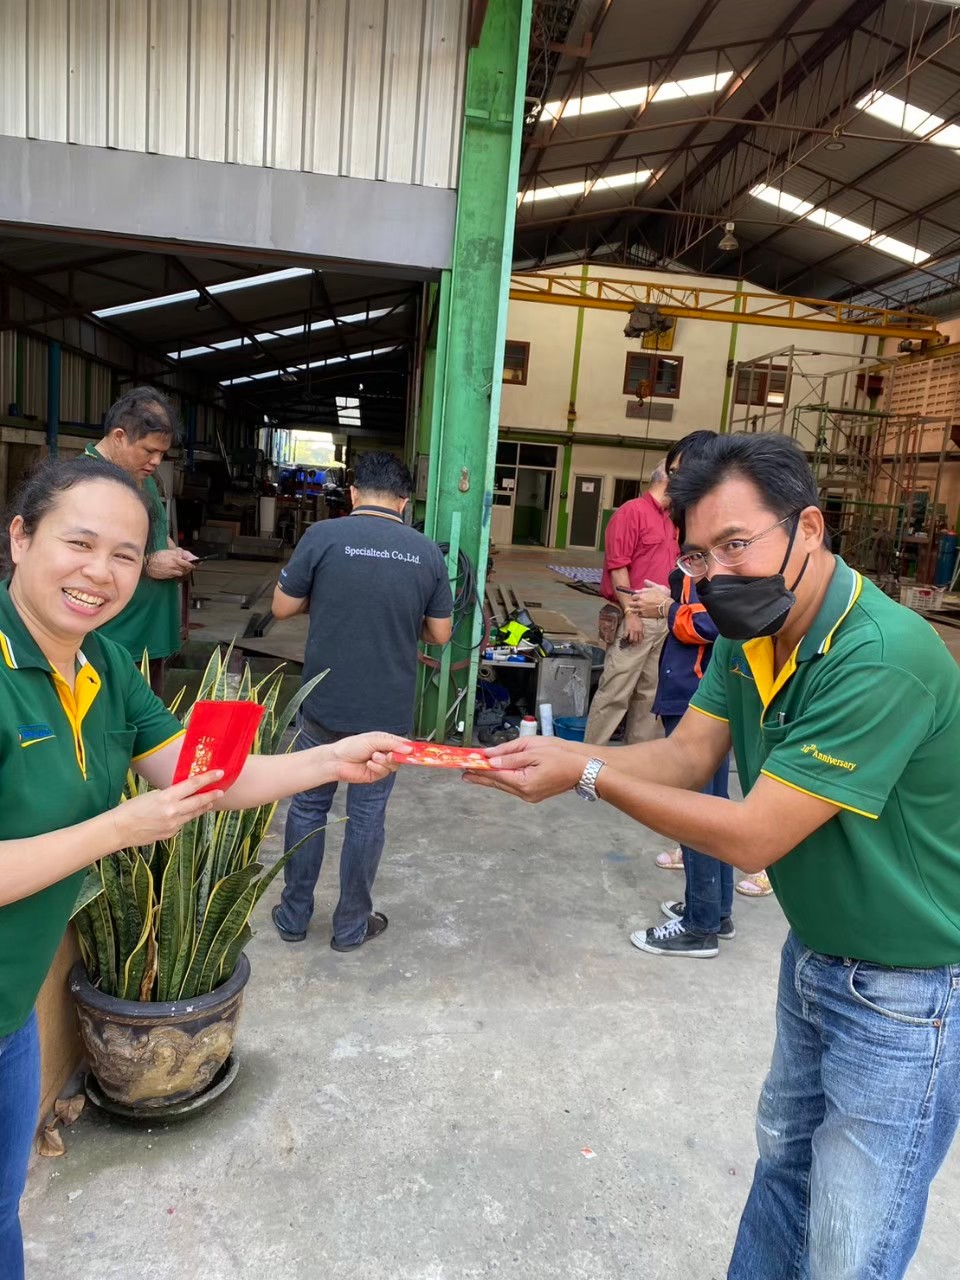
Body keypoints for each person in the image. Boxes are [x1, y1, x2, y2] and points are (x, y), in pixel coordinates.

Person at [467, 432, 960, 1279]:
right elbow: (687, 756)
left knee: (849, 1242)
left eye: (736, 544)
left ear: (809, 528)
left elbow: (753, 835)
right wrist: (557, 755)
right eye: (699, 555)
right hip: (816, 955)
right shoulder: (752, 631)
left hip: (905, 992)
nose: (716, 574)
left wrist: (585, 774)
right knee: (783, 1172)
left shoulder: (882, 655)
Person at [0, 457, 407, 1280]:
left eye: (125, 555)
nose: (101, 572)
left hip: (9, 1014)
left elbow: (208, 777)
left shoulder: (103, 663)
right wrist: (117, 828)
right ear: (20, 537)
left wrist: (333, 757)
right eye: (79, 543)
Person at [270, 451, 453, 951]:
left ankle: (293, 917)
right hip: (385, 713)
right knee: (367, 816)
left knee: (308, 807)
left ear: (353, 493)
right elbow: (440, 634)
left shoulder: (322, 536)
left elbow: (282, 607)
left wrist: (326, 598)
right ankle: (351, 927)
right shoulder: (425, 552)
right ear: (404, 501)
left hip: (324, 704)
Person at [626, 429, 734, 959]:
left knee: (696, 810)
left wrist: (665, 609)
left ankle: (700, 925)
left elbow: (720, 620)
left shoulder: (715, 549)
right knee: (711, 805)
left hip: (697, 692)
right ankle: (715, 910)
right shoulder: (700, 544)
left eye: (677, 474)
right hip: (698, 688)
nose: (670, 486)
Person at [83, 386, 196, 696]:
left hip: (148, 640)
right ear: (119, 436)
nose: (157, 461)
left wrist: (172, 551)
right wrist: (147, 565)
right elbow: (80, 559)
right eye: (149, 451)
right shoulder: (85, 483)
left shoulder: (138, 477)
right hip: (115, 643)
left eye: (162, 453)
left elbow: (154, 532)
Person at [584, 463, 678, 746]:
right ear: (669, 479)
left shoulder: (674, 520)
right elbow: (618, 566)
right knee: (615, 692)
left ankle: (637, 760)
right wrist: (630, 614)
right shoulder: (632, 512)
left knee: (650, 697)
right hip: (635, 616)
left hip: (664, 617)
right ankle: (589, 758)